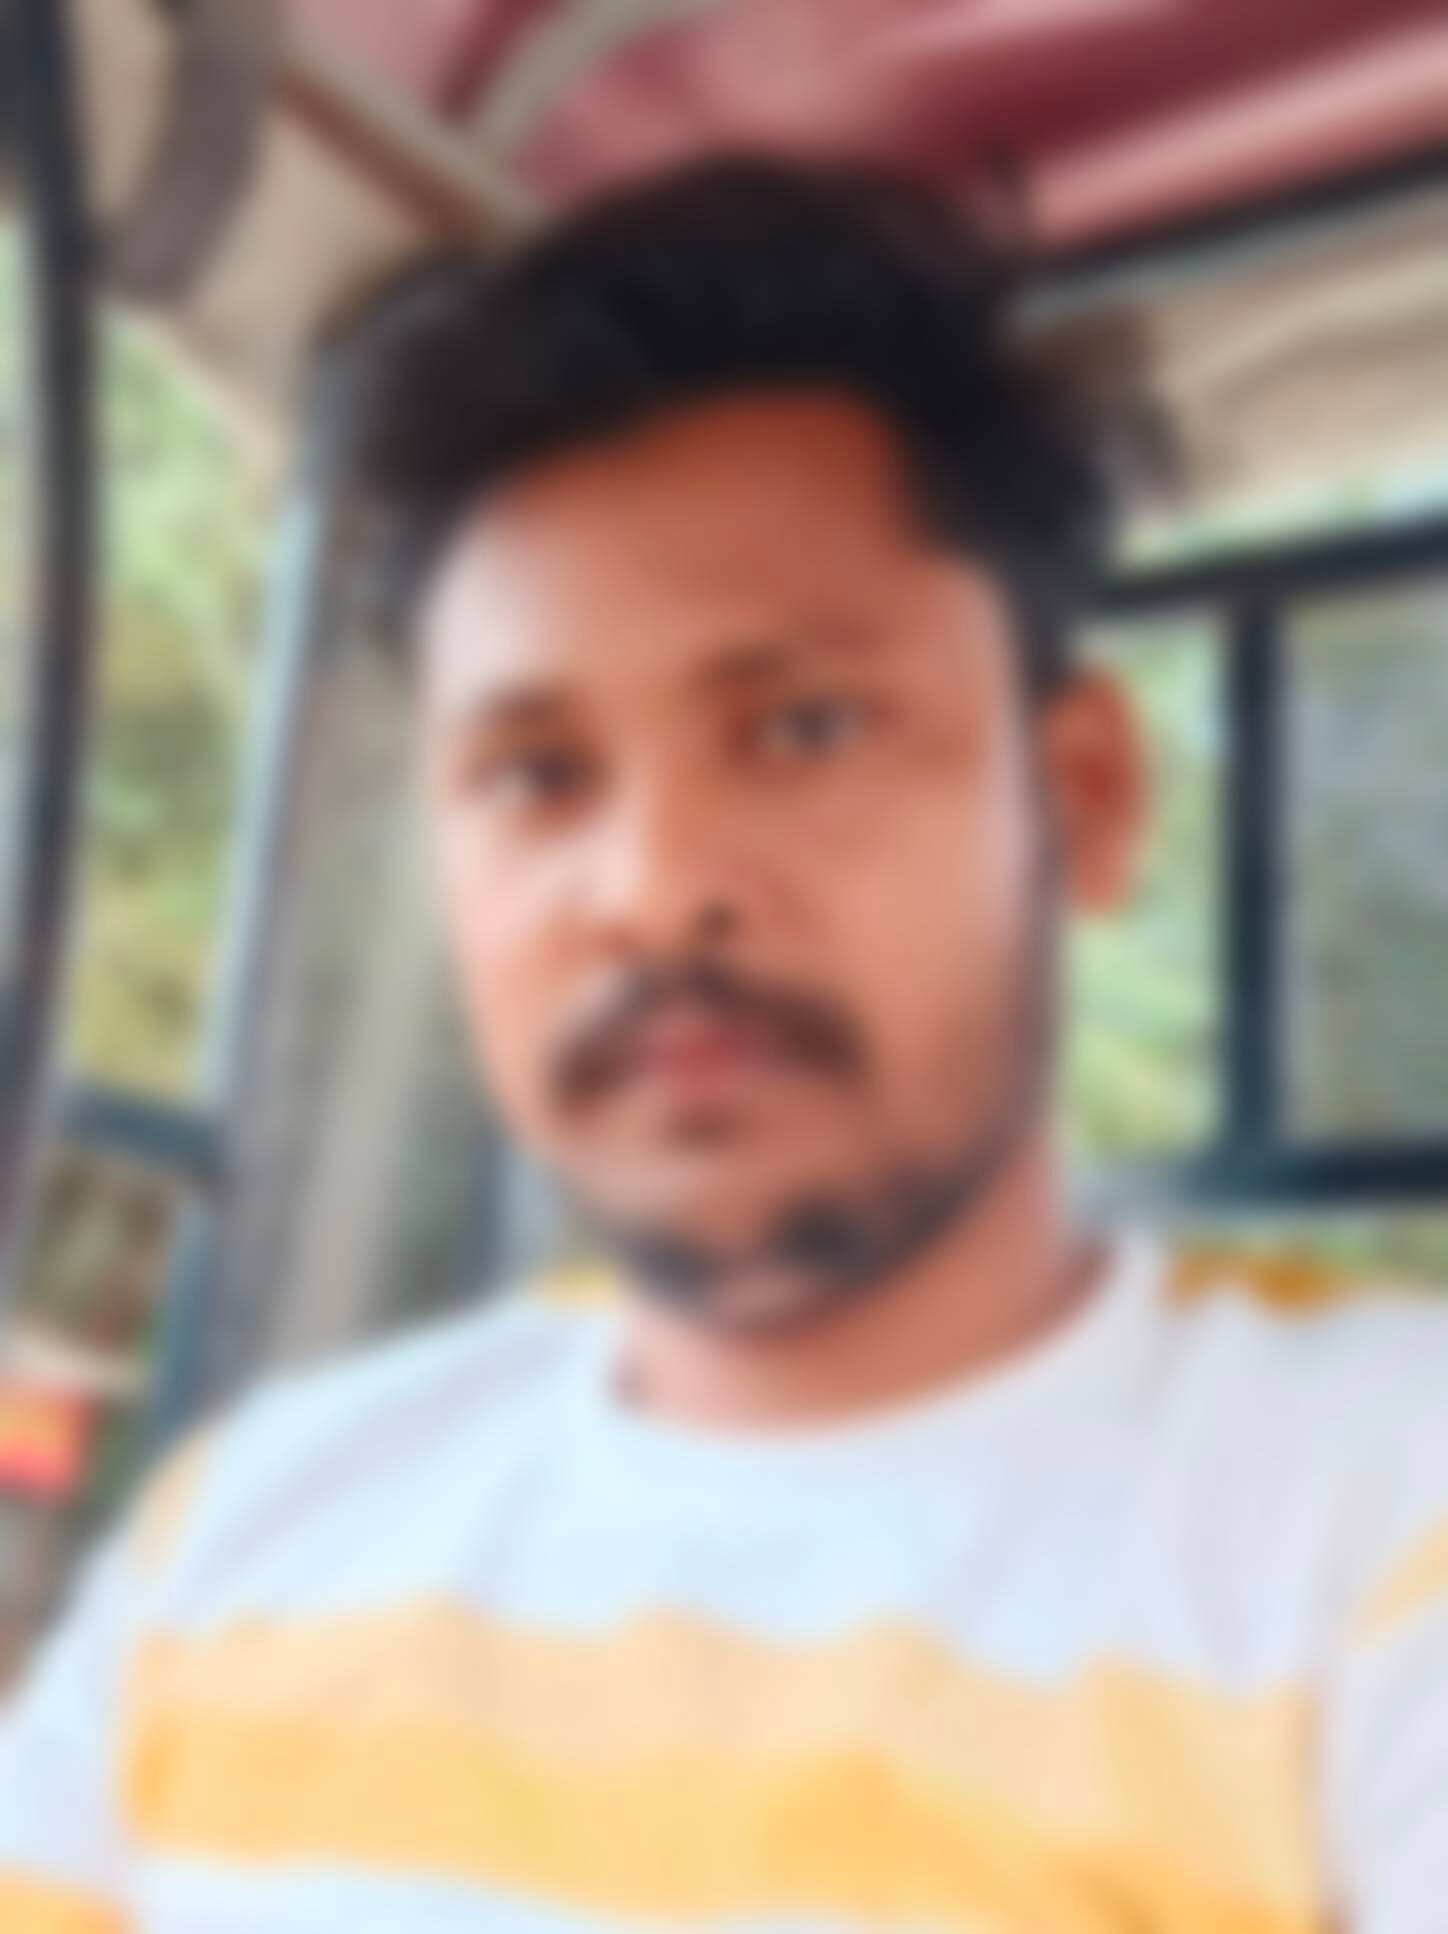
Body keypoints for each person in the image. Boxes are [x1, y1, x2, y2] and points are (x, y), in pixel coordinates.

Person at [2, 156, 1446, 1934]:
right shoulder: (242, 1530)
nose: (650, 887)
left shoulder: (1379, 1520)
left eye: (804, 728)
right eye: (537, 774)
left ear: (1080, 796)